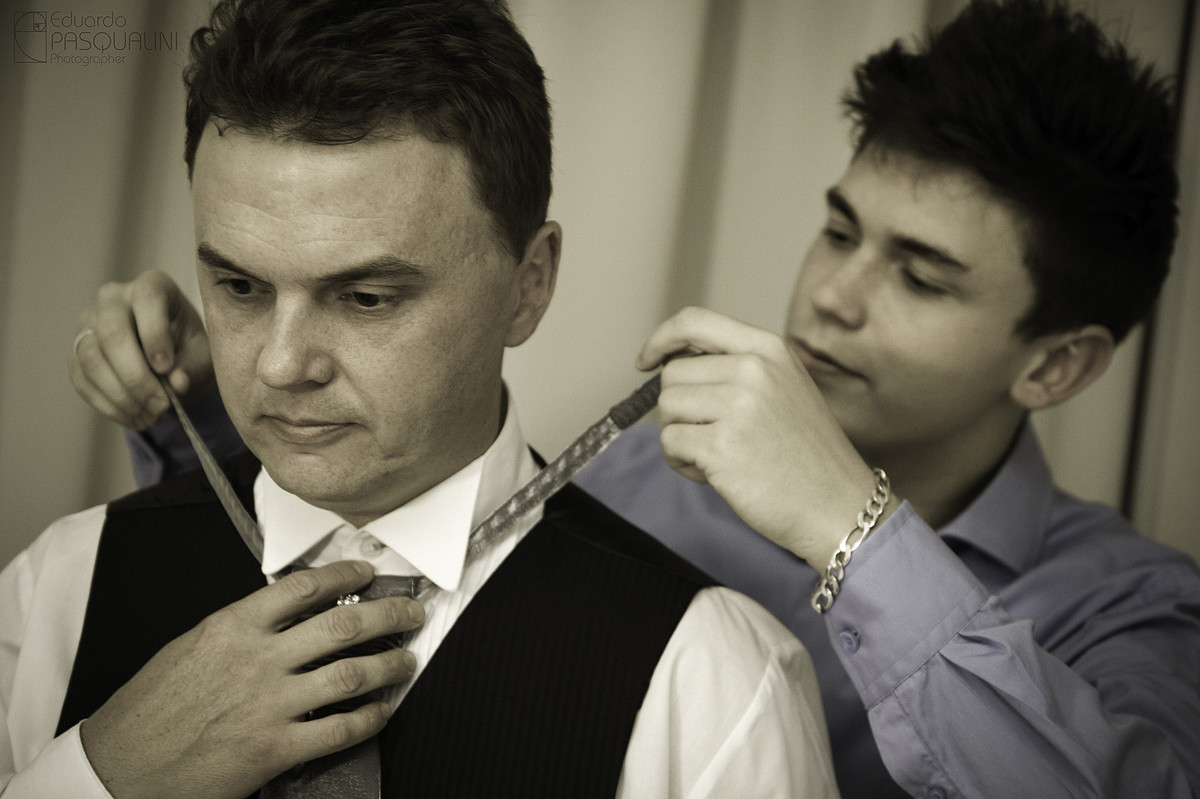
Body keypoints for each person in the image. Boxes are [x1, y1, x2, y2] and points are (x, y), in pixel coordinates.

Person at [62, 0, 1200, 797]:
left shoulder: (1136, 610)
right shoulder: (646, 468)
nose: (833, 296)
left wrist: (852, 526)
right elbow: (390, 589)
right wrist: (207, 417)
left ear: (1057, 366)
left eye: (922, 275)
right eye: (842, 231)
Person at [0, 1, 842, 797]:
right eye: (240, 286)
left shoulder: (712, 680)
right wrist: (102, 775)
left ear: (530, 284)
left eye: (366, 298)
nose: (282, 365)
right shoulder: (55, 589)